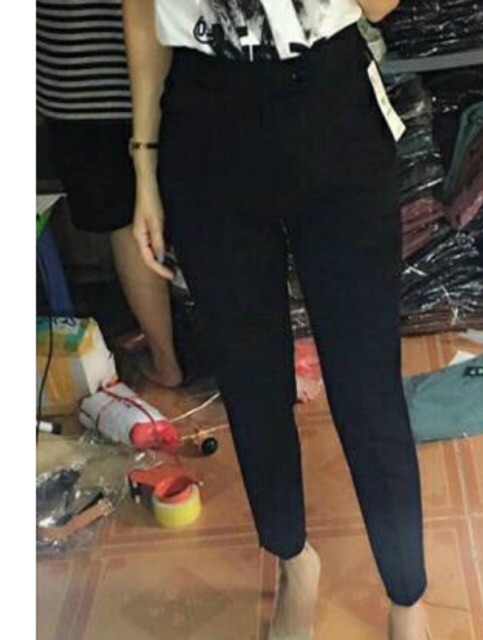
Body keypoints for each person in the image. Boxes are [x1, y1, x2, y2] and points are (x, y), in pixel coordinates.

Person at [123, 1, 429, 638]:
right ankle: (293, 559)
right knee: (250, 381)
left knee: (368, 385)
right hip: (207, 122)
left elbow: (381, 7)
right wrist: (144, 165)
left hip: (332, 110)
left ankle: (407, 595)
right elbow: (141, 12)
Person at [36, 0, 182, 388]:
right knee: (149, 217)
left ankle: (165, 358)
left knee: (128, 223)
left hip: (85, 78)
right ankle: (167, 342)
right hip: (162, 68)